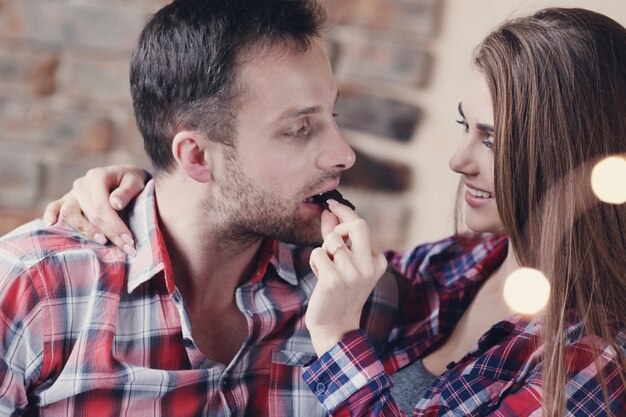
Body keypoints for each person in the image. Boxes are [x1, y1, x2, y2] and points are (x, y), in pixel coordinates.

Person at [49, 7, 626, 417]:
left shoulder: (593, 360)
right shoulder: (447, 270)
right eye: (463, 127)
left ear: (567, 153)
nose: (457, 161)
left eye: (492, 140)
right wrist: (147, 191)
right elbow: (221, 195)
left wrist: (332, 333)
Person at [0, 0, 396, 415]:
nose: (344, 154)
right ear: (195, 157)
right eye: (299, 129)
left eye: (332, 116)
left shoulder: (356, 301)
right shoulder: (34, 288)